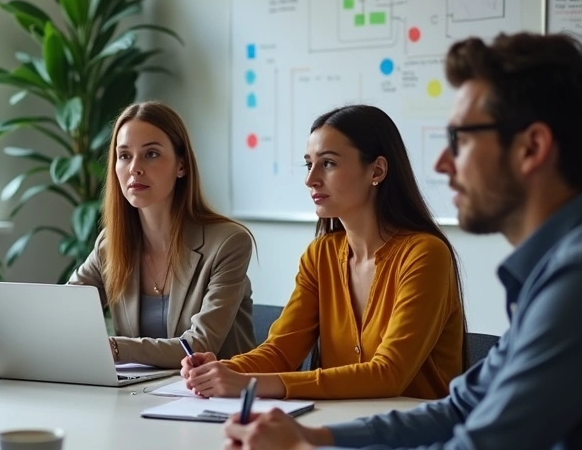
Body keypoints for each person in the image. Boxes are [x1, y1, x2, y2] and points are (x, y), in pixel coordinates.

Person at [231, 33, 582, 450]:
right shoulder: (566, 265)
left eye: (460, 139)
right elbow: (458, 409)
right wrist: (316, 442)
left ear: (532, 148)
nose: (441, 162)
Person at [182, 105, 467, 400]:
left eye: (328, 163)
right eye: (309, 164)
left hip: (416, 435)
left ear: (377, 170)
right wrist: (222, 370)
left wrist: (250, 384)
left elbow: (389, 373)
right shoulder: (321, 255)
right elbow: (280, 351)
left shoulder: (425, 254)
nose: (311, 179)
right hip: (338, 427)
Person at [68, 101, 256, 368]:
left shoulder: (228, 243)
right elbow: (63, 314)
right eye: (124, 156)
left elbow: (198, 346)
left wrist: (114, 347)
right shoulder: (109, 245)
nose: (135, 168)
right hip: (138, 396)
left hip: (214, 398)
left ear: (181, 166)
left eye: (151, 154)